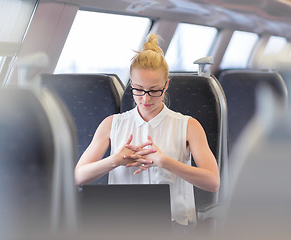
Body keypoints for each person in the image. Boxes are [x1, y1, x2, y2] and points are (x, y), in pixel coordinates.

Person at [75, 33, 220, 227]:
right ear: (131, 85)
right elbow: (78, 176)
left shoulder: (188, 126)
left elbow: (212, 182)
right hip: (122, 223)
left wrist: (165, 162)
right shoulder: (112, 124)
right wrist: (115, 160)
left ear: (166, 85)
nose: (145, 98)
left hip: (174, 225)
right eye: (138, 89)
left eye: (154, 90)